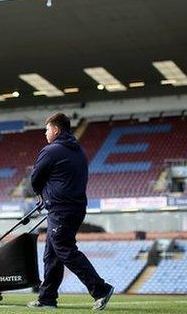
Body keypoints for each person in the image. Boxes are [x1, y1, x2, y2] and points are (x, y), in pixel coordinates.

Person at [27, 113, 114, 311]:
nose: (45, 133)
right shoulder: (78, 151)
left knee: (64, 249)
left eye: (47, 129)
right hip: (75, 207)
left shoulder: (51, 150)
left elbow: (35, 178)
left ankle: (100, 289)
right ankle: (47, 298)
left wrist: (41, 193)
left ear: (56, 129)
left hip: (61, 209)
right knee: (52, 254)